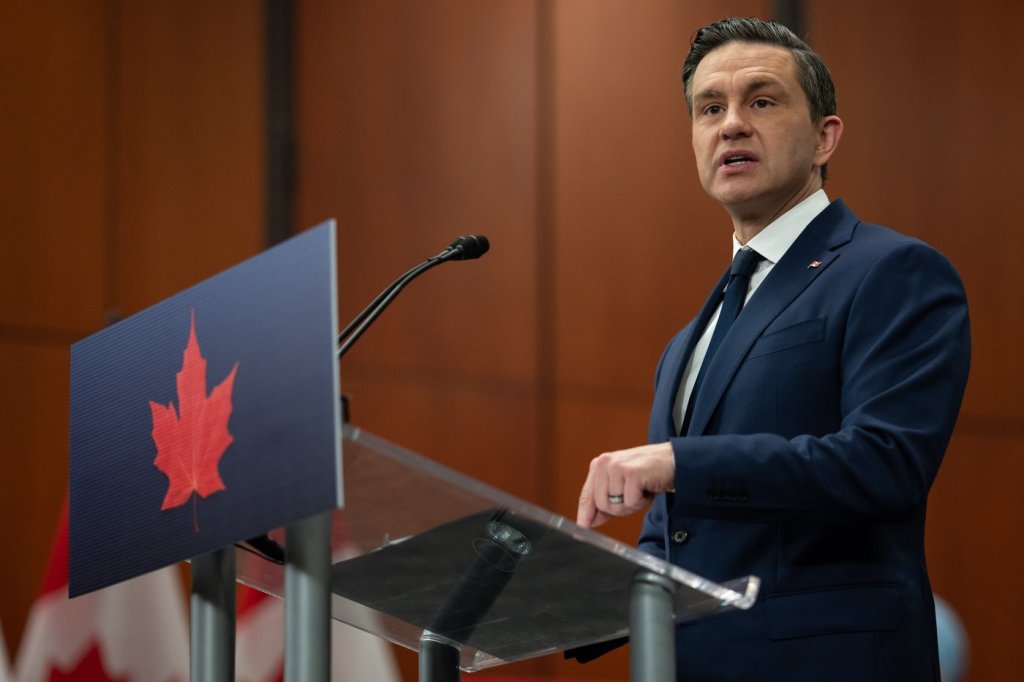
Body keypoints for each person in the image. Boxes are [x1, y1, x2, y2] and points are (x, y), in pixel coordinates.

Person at [575, 17, 970, 682]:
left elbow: (883, 464)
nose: (731, 124)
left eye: (760, 101)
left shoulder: (892, 271)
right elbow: (674, 534)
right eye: (710, 108)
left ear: (824, 138)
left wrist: (678, 462)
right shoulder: (685, 344)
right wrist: (547, 599)